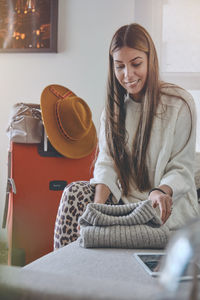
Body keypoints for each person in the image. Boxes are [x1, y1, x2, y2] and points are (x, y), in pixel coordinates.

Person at [54, 23, 199, 250]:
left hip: (165, 207)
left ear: (150, 60)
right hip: (125, 208)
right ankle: (63, 273)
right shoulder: (113, 110)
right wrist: (96, 210)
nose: (127, 75)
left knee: (144, 225)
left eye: (136, 64)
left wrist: (161, 192)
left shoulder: (180, 103)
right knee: (73, 194)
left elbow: (182, 167)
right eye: (119, 66)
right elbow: (107, 163)